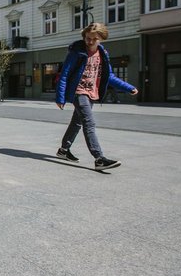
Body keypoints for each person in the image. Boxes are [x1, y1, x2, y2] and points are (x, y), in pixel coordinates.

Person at [55, 23, 138, 171]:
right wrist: (60, 97)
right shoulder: (76, 52)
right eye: (88, 38)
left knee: (77, 123)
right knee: (89, 123)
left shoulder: (103, 54)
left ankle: (63, 150)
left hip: (92, 93)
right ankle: (99, 158)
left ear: (101, 38)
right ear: (84, 37)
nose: (91, 41)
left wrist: (128, 87)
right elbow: (64, 74)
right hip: (78, 92)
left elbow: (109, 76)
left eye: (95, 39)